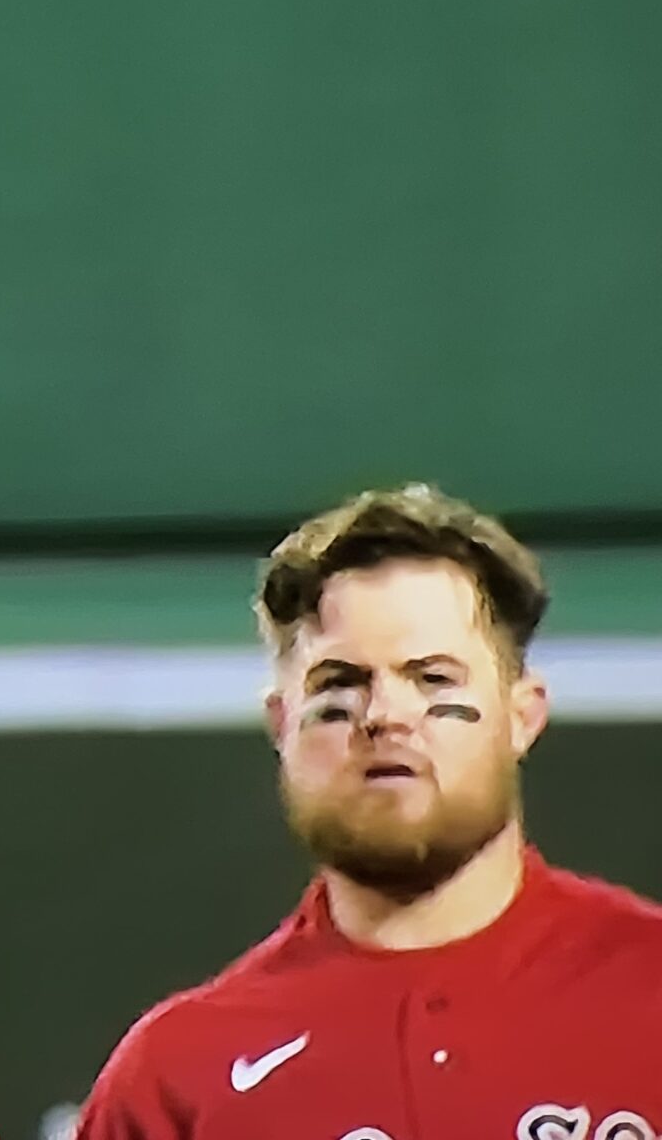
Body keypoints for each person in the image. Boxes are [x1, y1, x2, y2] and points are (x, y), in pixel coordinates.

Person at [71, 483, 662, 1138]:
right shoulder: (178, 1075)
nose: (385, 716)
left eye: (433, 678)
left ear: (523, 717)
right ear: (281, 723)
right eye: (341, 683)